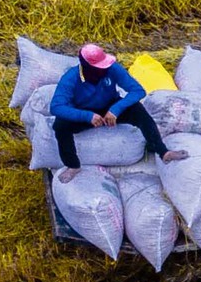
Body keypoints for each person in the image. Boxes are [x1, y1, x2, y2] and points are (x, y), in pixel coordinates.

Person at [49, 44, 182, 184]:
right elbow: (56, 107)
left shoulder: (112, 68)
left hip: (110, 107)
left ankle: (163, 151)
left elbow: (138, 90)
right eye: (99, 68)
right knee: (60, 125)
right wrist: (87, 116)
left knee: (139, 111)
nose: (104, 70)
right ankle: (72, 165)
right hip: (84, 111)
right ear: (87, 68)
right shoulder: (70, 78)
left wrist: (115, 110)